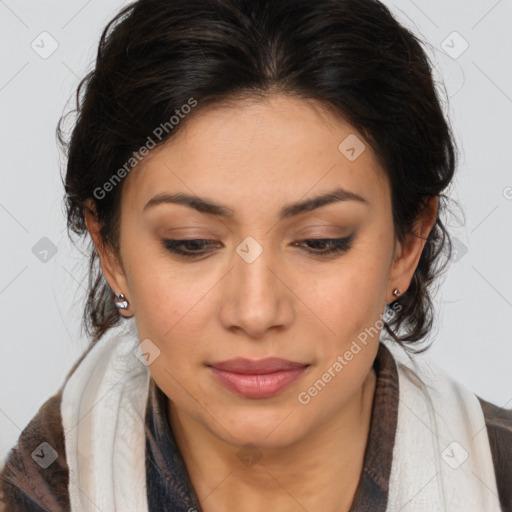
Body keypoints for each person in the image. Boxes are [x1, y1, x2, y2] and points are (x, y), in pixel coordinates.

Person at [1, 0, 511, 511]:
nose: (256, 311)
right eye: (191, 243)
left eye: (320, 240)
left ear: (407, 244)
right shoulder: (40, 492)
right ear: (110, 252)